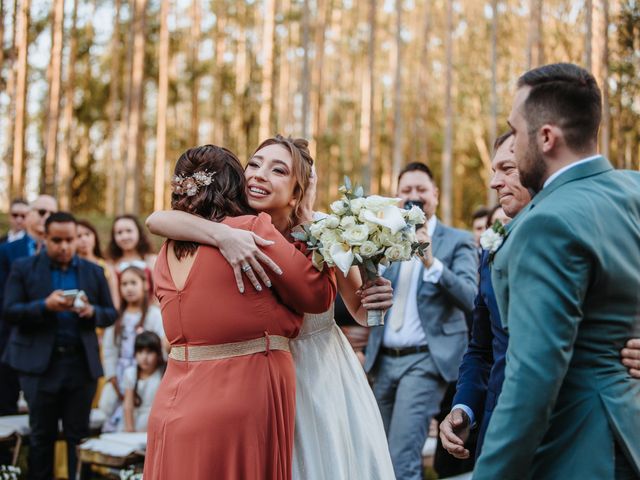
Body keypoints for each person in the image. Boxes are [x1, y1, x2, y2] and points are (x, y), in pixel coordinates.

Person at [146, 135, 397, 480]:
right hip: (250, 376)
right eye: (254, 164)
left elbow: (358, 310)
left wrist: (376, 295)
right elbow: (158, 219)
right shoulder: (230, 224)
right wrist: (223, 236)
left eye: (278, 170)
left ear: (297, 190)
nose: (259, 175)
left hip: (315, 374)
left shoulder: (329, 231)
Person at [472, 63, 640, 479]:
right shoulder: (633, 189)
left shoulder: (546, 224)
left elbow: (533, 378)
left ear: (546, 137)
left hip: (579, 448)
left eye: (517, 129)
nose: (514, 142)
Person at [440, 132, 640, 462]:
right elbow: (482, 347)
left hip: (584, 438)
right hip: (503, 434)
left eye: (507, 168)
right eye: (493, 170)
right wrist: (464, 407)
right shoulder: (492, 248)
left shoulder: (599, 229)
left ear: (538, 168)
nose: (495, 182)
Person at [363, 162, 478, 480]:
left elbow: (470, 296)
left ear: (435, 195)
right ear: (397, 197)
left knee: (402, 459)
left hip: (426, 361)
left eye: (421, 190)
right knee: (375, 455)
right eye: (406, 191)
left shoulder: (458, 240)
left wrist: (431, 261)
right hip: (382, 362)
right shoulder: (383, 240)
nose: (414, 196)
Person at [2, 212, 117, 480]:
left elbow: (110, 313)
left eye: (70, 239)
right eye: (57, 240)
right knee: (42, 437)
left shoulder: (94, 271)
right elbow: (9, 311)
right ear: (44, 237)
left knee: (79, 437)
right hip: (39, 367)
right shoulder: (24, 268)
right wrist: (45, 306)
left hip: (80, 365)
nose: (64, 246)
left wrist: (92, 312)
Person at [0, 195, 57, 417]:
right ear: (29, 215)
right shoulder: (7, 251)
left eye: (52, 213)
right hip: (10, 340)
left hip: (49, 345)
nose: (47, 217)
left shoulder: (62, 251)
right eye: (42, 212)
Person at [100, 265, 166, 431]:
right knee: (119, 413)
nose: (128, 288)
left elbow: (161, 345)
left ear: (145, 285)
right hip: (121, 374)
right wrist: (112, 376)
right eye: (124, 284)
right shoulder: (117, 318)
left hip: (147, 373)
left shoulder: (153, 314)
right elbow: (110, 349)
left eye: (133, 283)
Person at [107, 214, 157, 305]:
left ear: (139, 232)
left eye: (129, 231)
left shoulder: (152, 260)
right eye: (119, 232)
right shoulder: (110, 265)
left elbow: (157, 296)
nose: (124, 236)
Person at [122, 331, 164, 432]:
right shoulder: (130, 373)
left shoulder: (163, 373)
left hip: (157, 422)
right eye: (140, 352)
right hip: (136, 422)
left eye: (149, 352)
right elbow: (128, 405)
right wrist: (129, 428)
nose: (144, 358)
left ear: (158, 354)